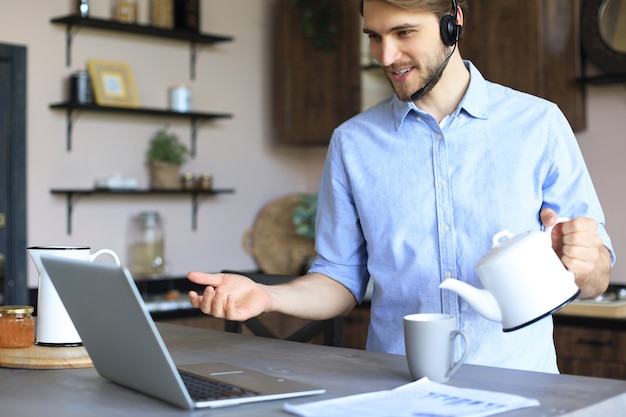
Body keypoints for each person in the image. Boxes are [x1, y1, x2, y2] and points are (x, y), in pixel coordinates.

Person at [188, 0, 614, 373]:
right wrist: (266, 296)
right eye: (374, 36)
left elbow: (596, 276)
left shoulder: (539, 125)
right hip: (396, 391)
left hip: (520, 390)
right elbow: (339, 278)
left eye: (404, 32)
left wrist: (584, 261)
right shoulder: (352, 143)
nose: (387, 55)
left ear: (454, 23)